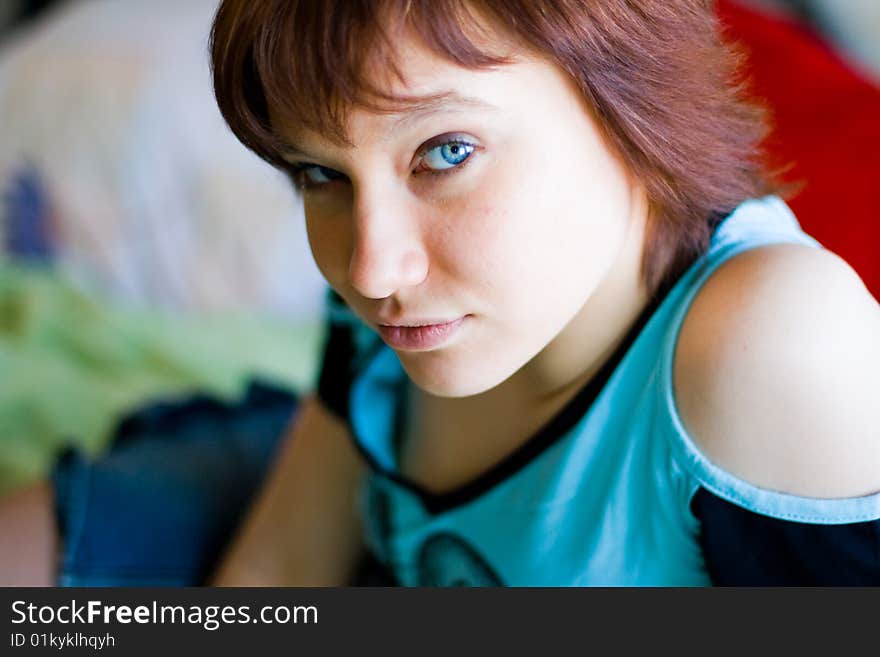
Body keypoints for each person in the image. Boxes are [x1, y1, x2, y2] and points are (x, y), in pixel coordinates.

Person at [3, 0, 879, 586]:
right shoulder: (384, 306)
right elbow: (274, 575)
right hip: (272, 458)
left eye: (446, 152)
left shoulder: (773, 343)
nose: (371, 271)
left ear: (627, 102)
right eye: (319, 174)